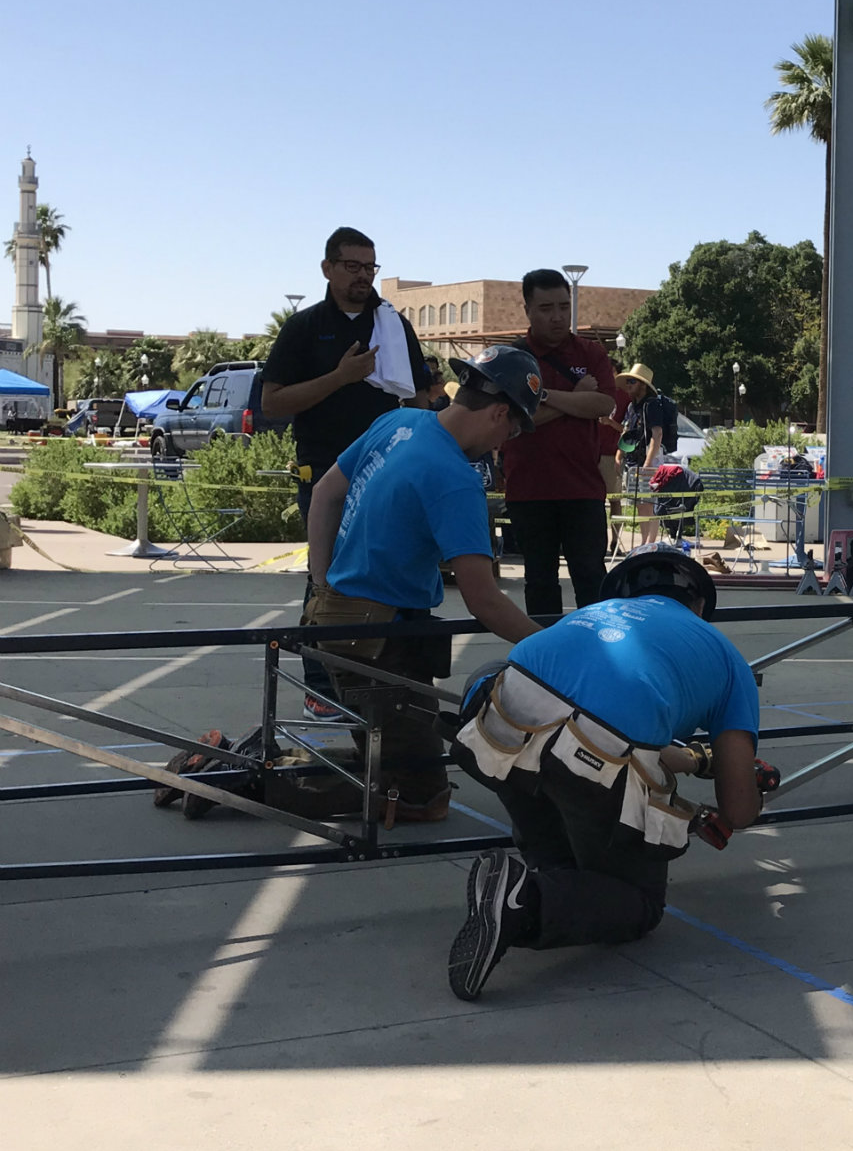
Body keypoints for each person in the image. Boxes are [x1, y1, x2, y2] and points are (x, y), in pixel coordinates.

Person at [447, 543, 773, 1000]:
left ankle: (536, 879)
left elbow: (596, 718)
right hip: (593, 759)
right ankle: (524, 903)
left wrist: (697, 758)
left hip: (502, 725)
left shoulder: (589, 617)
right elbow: (738, 810)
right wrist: (746, 787)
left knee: (557, 841)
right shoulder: (726, 656)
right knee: (637, 902)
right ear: (699, 605)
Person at [303, 346, 543, 822]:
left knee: (393, 749)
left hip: (343, 622)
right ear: (499, 413)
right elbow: (484, 601)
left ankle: (269, 767)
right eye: (510, 432)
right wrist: (556, 644)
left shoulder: (398, 423)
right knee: (422, 795)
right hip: (380, 641)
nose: (502, 445)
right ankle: (246, 777)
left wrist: (323, 582)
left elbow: (325, 494)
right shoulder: (455, 478)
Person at [263, 226, 430, 722]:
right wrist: (339, 378)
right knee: (328, 578)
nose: (363, 276)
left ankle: (389, 682)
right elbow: (272, 403)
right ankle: (321, 687)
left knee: (390, 576)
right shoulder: (304, 328)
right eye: (352, 266)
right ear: (328, 269)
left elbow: (419, 400)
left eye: (370, 267)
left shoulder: (394, 326)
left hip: (390, 475)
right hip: (324, 475)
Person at [499, 269, 619, 617]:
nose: (557, 316)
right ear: (528, 310)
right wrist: (574, 399)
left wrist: (543, 396)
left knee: (591, 577)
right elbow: (513, 421)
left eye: (564, 307)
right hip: (529, 491)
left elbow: (604, 404)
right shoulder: (511, 359)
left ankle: (600, 650)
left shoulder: (591, 352)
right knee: (539, 581)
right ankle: (544, 657)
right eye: (546, 307)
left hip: (583, 489)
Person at [616, 362, 678, 546]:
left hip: (649, 458)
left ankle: (649, 544)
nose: (628, 385)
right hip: (634, 459)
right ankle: (645, 543)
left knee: (649, 503)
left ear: (643, 385)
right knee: (640, 503)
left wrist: (649, 463)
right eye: (627, 381)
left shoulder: (651, 405)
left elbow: (656, 434)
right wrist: (619, 455)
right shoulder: (632, 407)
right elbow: (626, 433)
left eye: (632, 382)